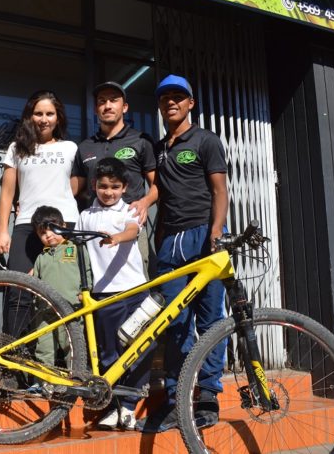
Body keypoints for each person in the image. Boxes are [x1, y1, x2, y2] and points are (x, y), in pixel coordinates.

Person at [135, 75, 228, 433]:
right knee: (174, 324)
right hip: (170, 241)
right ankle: (176, 402)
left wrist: (216, 232)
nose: (170, 102)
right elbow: (159, 187)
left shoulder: (205, 140)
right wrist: (145, 201)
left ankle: (207, 398)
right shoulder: (159, 148)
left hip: (205, 238)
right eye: (164, 98)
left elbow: (220, 190)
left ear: (190, 103)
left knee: (211, 321)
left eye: (178, 97)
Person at [77, 157, 154, 431]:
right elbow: (78, 251)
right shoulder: (86, 215)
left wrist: (117, 237)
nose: (108, 192)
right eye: (103, 186)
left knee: (141, 347)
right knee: (109, 354)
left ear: (125, 187)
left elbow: (132, 231)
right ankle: (113, 408)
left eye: (115, 187)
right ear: (95, 185)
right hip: (104, 295)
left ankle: (130, 406)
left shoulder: (130, 211)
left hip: (134, 291)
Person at [0, 90, 79, 337]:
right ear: (30, 117)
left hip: (65, 226)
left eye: (50, 114)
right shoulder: (16, 148)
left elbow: (76, 186)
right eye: (38, 113)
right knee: (18, 293)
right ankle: (16, 360)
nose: (44, 119)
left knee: (65, 294)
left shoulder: (70, 148)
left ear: (58, 118)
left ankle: (66, 359)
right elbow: (7, 192)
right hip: (26, 225)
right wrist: (2, 230)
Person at [71, 81, 157, 276]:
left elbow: (157, 184)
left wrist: (145, 202)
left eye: (113, 100)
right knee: (97, 289)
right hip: (94, 232)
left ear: (124, 107)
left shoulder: (141, 141)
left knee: (139, 288)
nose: (107, 105)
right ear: (96, 109)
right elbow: (73, 189)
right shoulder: (85, 146)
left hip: (131, 227)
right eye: (102, 101)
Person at [29, 205, 91, 366]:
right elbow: (35, 281)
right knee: (44, 349)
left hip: (71, 308)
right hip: (45, 312)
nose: (48, 236)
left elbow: (87, 271)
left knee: (72, 347)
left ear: (63, 226)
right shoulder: (41, 258)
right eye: (43, 233)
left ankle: (76, 380)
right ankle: (45, 384)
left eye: (52, 229)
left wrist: (86, 290)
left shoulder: (75, 248)